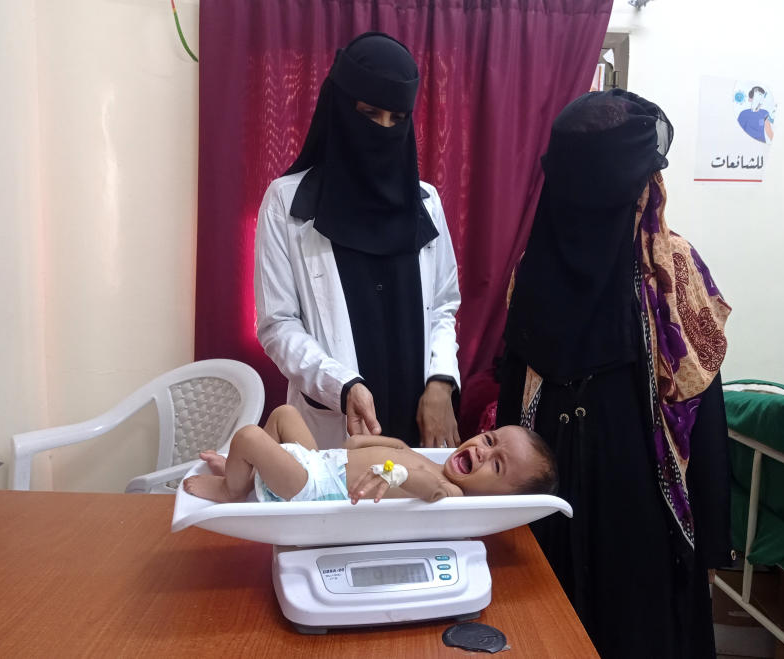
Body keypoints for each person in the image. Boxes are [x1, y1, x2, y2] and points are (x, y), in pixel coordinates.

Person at [496, 90, 733, 659]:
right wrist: (501, 512)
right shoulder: (534, 269)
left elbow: (702, 403)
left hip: (642, 497)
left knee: (637, 630)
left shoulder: (670, 267)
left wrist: (712, 541)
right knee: (547, 625)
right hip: (547, 486)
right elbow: (513, 390)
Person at [254, 32, 461, 450]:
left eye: (397, 119)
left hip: (418, 416)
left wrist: (441, 382)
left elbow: (443, 306)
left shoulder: (426, 204)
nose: (383, 130)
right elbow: (278, 324)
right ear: (340, 108)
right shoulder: (287, 203)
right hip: (336, 421)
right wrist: (342, 385)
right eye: (369, 113)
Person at [182, 405, 557, 504]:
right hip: (321, 463)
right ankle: (245, 475)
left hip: (314, 488)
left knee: (249, 436)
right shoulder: (422, 455)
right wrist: (363, 440)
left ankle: (232, 491)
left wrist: (399, 474)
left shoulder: (450, 490)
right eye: (489, 440)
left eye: (496, 464)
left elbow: (427, 488)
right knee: (284, 415)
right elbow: (353, 449)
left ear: (499, 498)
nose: (480, 451)